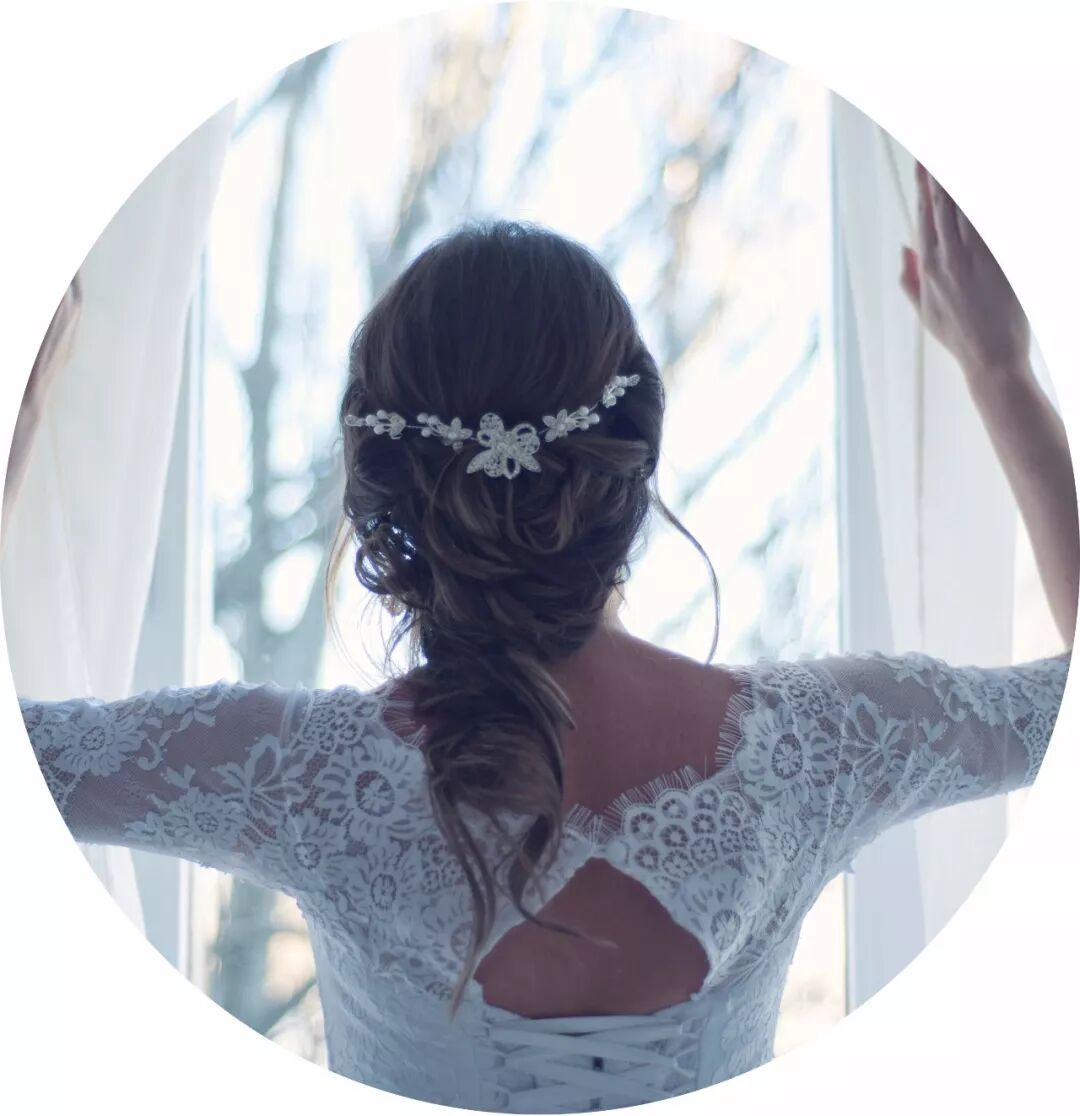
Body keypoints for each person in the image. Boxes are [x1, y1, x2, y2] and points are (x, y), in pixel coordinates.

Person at [14, 165, 1075, 1113]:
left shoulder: (297, 774)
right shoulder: (818, 746)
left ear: (382, 482)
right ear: (633, 456)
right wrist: (1001, 375)